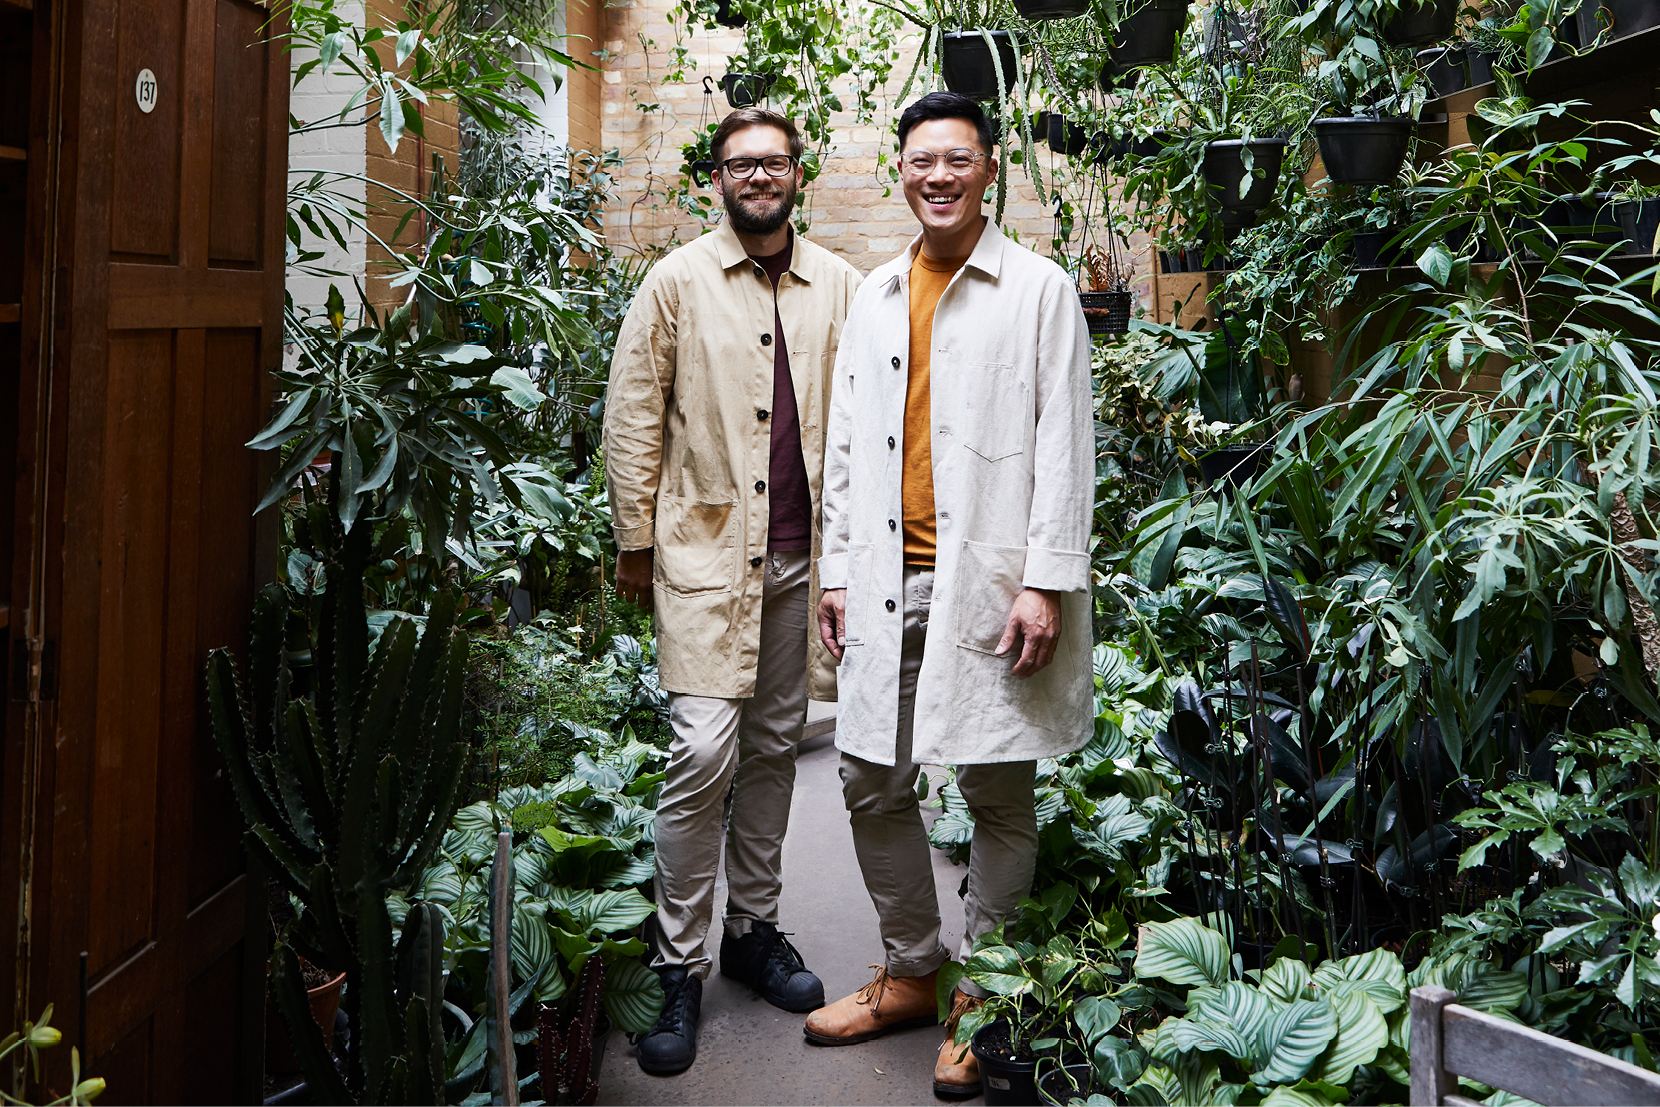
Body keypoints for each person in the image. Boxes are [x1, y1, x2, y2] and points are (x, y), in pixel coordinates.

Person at [803, 91, 1095, 1099]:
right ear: (901, 171)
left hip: (992, 584)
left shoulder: (1038, 288)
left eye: (956, 160)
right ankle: (914, 970)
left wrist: (1048, 582)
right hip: (886, 582)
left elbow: (1064, 444)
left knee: (994, 789)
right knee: (865, 777)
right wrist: (837, 569)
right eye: (922, 160)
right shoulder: (877, 292)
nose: (938, 176)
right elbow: (843, 449)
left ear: (987, 170)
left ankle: (987, 991)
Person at [603, 107, 863, 1077]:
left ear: (799, 174)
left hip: (806, 560)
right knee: (702, 747)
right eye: (739, 163)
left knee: (770, 751)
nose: (758, 176)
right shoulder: (674, 283)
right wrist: (635, 537)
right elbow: (633, 410)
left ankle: (751, 931)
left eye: (773, 161)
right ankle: (676, 961)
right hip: (706, 558)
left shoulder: (839, 285)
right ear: (716, 178)